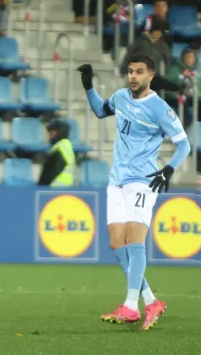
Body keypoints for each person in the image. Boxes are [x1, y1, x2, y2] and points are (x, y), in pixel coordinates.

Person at [79, 57, 190, 329]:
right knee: (117, 244)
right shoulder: (119, 97)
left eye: (139, 72)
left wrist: (169, 170)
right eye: (130, 71)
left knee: (133, 239)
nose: (133, 76)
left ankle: (130, 306)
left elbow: (184, 144)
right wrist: (88, 87)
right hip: (116, 180)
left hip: (143, 181)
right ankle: (150, 300)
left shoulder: (159, 108)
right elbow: (100, 111)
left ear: (151, 75)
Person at [38, 119, 75, 187]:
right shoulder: (64, 145)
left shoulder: (61, 147)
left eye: (53, 131)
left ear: (60, 132)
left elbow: (51, 172)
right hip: (64, 187)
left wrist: (41, 185)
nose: (51, 134)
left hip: (56, 187)